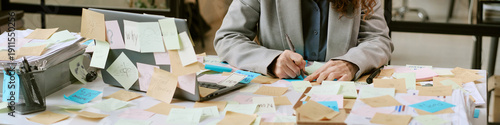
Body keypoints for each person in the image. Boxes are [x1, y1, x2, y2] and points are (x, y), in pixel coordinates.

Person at [214, 0, 393, 83]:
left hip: (340, 92)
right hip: (278, 96)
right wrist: (271, 60)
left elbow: (379, 39)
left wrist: (352, 63)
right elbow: (228, 37)